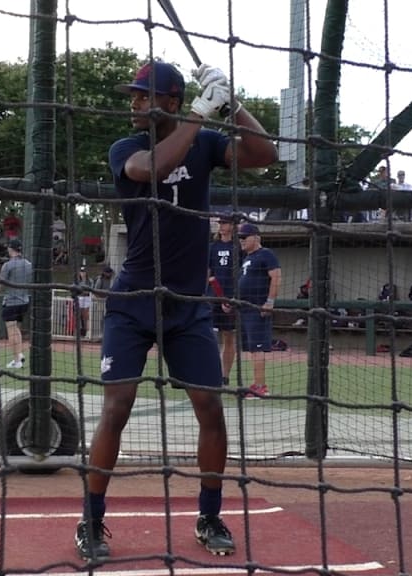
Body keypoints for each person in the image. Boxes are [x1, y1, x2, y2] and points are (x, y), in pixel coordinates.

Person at [75, 59, 278, 560]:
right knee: (116, 408)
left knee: (211, 409)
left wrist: (231, 103)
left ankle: (209, 515)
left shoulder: (206, 143)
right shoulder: (127, 148)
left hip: (188, 308)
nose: (135, 104)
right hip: (133, 303)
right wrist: (200, 115)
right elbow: (154, 169)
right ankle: (92, 522)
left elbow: (265, 154)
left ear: (168, 101)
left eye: (144, 96)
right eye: (135, 96)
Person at [223, 223, 281, 398]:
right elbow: (244, 285)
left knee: (257, 348)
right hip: (244, 310)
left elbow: (276, 277)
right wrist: (232, 303)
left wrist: (270, 302)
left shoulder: (266, 254)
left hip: (258, 309)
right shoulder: (247, 258)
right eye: (239, 238)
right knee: (251, 349)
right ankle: (256, 384)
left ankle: (260, 387)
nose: (241, 241)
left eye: (244, 237)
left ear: (256, 238)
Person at [0, 239, 32, 369]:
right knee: (16, 330)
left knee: (11, 331)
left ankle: (17, 359)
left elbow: (0, 284)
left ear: (11, 249)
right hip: (24, 301)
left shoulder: (8, 265)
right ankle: (19, 354)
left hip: (11, 302)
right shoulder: (28, 264)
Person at [207, 214, 238, 386]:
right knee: (210, 334)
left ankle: (225, 376)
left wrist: (233, 298)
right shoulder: (213, 247)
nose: (221, 225)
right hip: (213, 297)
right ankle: (211, 372)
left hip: (232, 297)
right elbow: (208, 272)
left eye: (225, 223)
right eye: (220, 223)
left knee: (229, 336)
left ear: (233, 225)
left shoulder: (238, 246)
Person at [74, 266, 93, 338]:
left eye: (84, 272)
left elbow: (90, 290)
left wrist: (84, 292)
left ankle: (86, 331)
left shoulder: (90, 281)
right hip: (79, 298)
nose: (83, 273)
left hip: (87, 298)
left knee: (85, 315)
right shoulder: (77, 280)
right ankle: (78, 331)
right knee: (78, 315)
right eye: (81, 272)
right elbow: (76, 290)